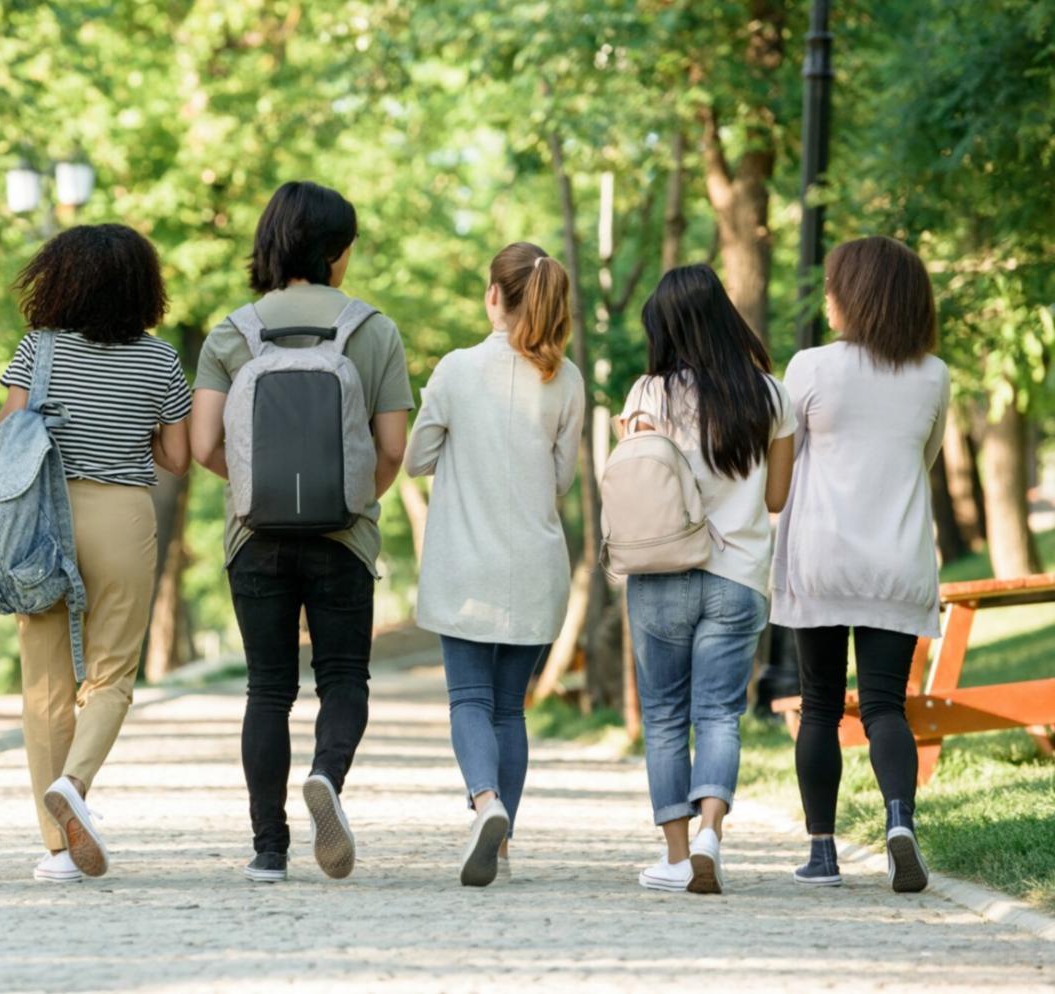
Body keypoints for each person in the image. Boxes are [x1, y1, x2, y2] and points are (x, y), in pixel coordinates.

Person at [190, 181, 414, 883]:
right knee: (343, 676)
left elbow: (202, 445)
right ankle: (326, 776)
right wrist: (348, 499)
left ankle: (267, 849)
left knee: (267, 688)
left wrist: (254, 488)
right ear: (336, 253)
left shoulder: (232, 331)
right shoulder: (372, 329)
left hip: (253, 537)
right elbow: (393, 448)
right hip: (343, 538)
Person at [0, 224, 191, 883]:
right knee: (109, 675)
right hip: (121, 515)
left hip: (44, 517)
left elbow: (8, 432)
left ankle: (58, 850)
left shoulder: (38, 349)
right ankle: (74, 784)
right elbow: (176, 457)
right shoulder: (160, 360)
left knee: (45, 682)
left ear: (61, 278)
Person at [771, 236, 948, 893]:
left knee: (818, 705)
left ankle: (821, 854)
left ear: (856, 296)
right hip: (896, 563)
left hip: (821, 560)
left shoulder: (810, 367)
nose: (825, 299)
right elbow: (921, 460)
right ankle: (898, 820)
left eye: (832, 288)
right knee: (884, 707)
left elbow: (780, 466)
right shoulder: (933, 375)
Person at [404, 243, 584, 887]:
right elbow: (560, 478)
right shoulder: (565, 380)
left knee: (469, 700)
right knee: (510, 709)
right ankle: (502, 845)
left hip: (466, 566)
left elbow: (418, 457)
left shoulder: (455, 369)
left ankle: (486, 803)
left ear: (493, 296)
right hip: (535, 564)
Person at [620, 265, 795, 895]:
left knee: (666, 716)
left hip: (661, 571)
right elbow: (775, 498)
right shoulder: (772, 396)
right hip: (739, 575)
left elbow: (635, 483)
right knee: (720, 714)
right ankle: (710, 836)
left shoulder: (647, 393)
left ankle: (673, 857)